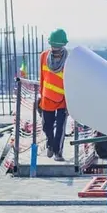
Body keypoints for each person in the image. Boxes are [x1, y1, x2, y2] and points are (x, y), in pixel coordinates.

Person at [38, 29, 70, 162]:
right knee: (47, 126)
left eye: (57, 47)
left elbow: (71, 81)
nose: (55, 50)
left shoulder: (69, 59)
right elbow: (42, 77)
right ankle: (50, 144)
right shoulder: (44, 56)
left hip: (63, 99)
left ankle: (58, 152)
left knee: (61, 128)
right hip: (47, 97)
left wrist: (70, 102)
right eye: (53, 47)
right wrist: (40, 96)